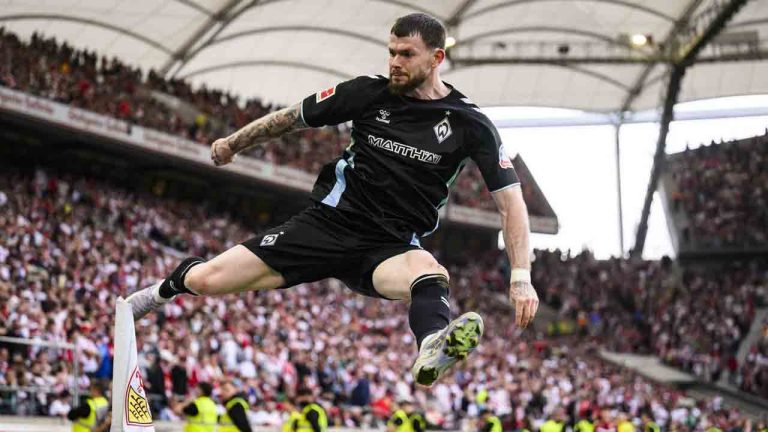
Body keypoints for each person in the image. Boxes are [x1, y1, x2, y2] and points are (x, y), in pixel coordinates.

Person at [126, 12, 538, 387]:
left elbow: (511, 202)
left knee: (430, 273)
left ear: (436, 58)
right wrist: (233, 144)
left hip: (388, 247)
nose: (394, 61)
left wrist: (520, 277)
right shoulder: (366, 93)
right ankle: (159, 291)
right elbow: (290, 118)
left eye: (406, 54)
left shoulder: (470, 123)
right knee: (204, 281)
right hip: (326, 226)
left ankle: (432, 344)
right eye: (391, 51)